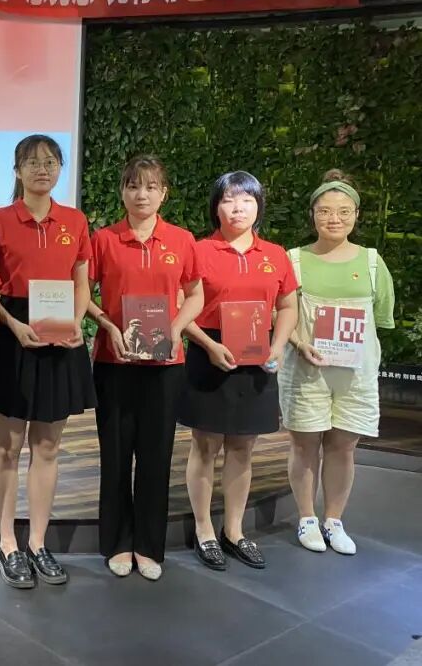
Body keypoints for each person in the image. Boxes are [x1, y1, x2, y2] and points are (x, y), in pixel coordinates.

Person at [0, 135, 93, 589]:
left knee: (47, 447)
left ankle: (38, 542)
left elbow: (81, 281)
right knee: (7, 446)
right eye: (32, 162)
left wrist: (75, 322)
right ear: (17, 170)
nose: (42, 169)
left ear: (60, 168)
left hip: (59, 332)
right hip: (12, 336)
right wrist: (11, 324)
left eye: (50, 162)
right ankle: (7, 542)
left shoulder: (74, 220)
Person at [86, 154, 204, 581]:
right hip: (114, 361)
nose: (142, 194)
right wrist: (107, 325)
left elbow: (196, 295)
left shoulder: (182, 240)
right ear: (122, 191)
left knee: (157, 455)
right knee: (116, 455)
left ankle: (149, 545)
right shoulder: (104, 240)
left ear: (163, 193)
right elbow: (83, 293)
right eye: (134, 186)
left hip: (165, 364)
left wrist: (174, 328)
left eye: (151, 187)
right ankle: (118, 542)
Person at [179, 171, 298, 572]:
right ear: (216, 207)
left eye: (246, 200)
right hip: (209, 351)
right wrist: (208, 346)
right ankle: (203, 530)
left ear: (258, 206)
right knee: (205, 445)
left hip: (257, 355)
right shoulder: (198, 250)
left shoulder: (275, 255)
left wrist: (278, 347)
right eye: (228, 200)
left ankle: (234, 530)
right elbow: (181, 305)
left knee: (243, 447)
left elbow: (288, 306)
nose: (237, 208)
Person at [279, 169, 396, 555]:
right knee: (304, 444)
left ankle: (334, 519)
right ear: (312, 214)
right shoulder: (293, 260)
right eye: (326, 211)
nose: (334, 219)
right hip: (305, 368)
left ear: (356, 215)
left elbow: (380, 321)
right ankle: (306, 518)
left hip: (354, 373)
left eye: (344, 211)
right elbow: (281, 315)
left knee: (344, 445)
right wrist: (299, 343)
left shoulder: (373, 263)